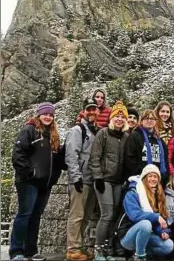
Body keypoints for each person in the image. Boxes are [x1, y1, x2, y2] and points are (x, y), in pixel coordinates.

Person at [10, 102, 65, 261]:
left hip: (45, 183)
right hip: (28, 181)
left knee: (35, 216)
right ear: (39, 115)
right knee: (24, 215)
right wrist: (29, 173)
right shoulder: (29, 130)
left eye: (50, 114)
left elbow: (56, 159)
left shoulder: (53, 134)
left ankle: (31, 251)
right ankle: (16, 251)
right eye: (45, 114)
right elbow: (18, 154)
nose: (48, 117)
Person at [89, 101, 130, 260]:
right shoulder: (104, 133)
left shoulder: (126, 137)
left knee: (113, 216)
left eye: (122, 116)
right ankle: (98, 249)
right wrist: (98, 176)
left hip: (118, 181)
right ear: (112, 118)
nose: (120, 119)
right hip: (104, 179)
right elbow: (95, 157)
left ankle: (107, 248)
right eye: (117, 116)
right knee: (106, 214)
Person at [65, 98, 100, 261]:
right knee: (77, 215)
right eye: (89, 109)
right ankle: (72, 250)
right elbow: (71, 154)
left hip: (92, 180)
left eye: (94, 109)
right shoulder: (77, 130)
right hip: (80, 180)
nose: (92, 112)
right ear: (84, 112)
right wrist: (76, 177)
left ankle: (79, 247)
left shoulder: (96, 130)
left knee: (85, 217)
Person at [120, 165, 174, 260]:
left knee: (169, 245)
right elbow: (135, 215)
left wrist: (162, 231)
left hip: (146, 236)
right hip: (128, 237)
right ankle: (140, 257)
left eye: (155, 176)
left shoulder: (157, 195)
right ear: (144, 178)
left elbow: (156, 224)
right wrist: (156, 217)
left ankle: (139, 253)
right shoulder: (132, 193)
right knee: (146, 224)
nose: (153, 179)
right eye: (150, 176)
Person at [124, 110, 169, 186]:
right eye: (146, 118)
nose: (149, 121)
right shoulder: (135, 136)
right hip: (140, 179)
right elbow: (130, 158)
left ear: (155, 121)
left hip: (157, 180)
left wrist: (164, 177)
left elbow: (165, 160)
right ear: (141, 121)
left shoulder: (159, 140)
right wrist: (142, 173)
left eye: (152, 119)